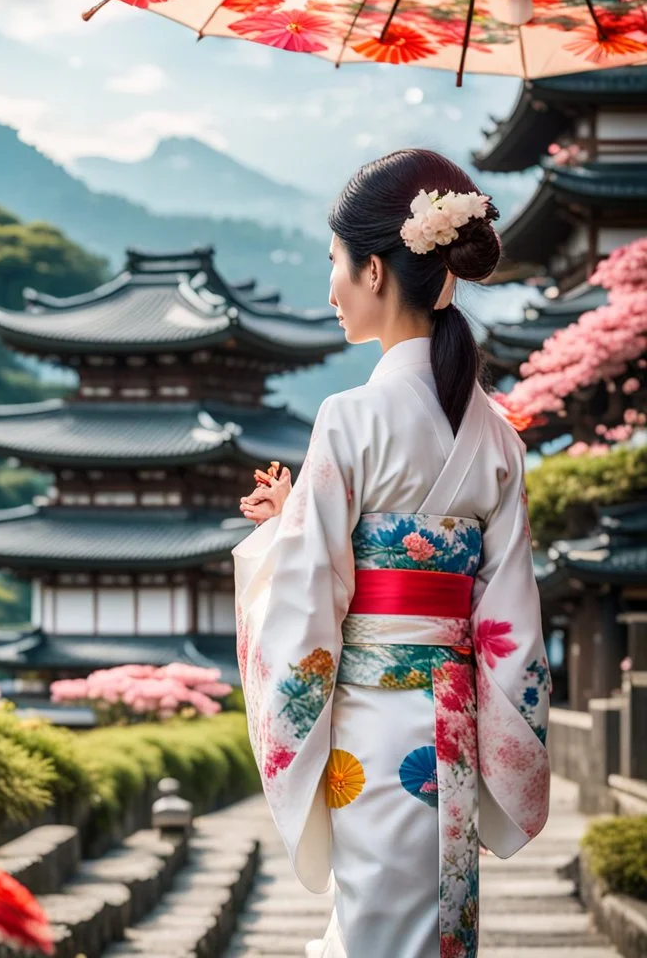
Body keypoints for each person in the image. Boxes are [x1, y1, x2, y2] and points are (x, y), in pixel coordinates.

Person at [233, 149, 551, 958]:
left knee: (375, 926)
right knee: (438, 926)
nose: (331, 287)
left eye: (334, 264)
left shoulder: (348, 418)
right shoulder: (498, 439)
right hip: (452, 729)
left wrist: (285, 535)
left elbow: (307, 599)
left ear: (374, 269)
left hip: (369, 732)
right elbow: (510, 620)